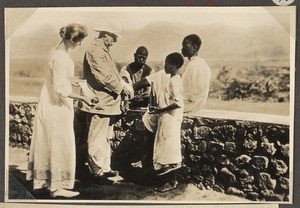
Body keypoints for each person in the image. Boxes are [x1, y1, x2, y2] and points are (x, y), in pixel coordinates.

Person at [26, 23, 93, 198]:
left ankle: (43, 182)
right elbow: (61, 89)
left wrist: (75, 81)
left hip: (49, 104)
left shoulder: (56, 53)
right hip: (57, 107)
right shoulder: (62, 57)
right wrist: (85, 98)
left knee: (48, 141)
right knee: (60, 143)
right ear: (73, 39)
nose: (79, 45)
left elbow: (60, 79)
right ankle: (57, 187)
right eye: (79, 42)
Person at [77, 22, 130, 180]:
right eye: (113, 37)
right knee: (97, 138)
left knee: (105, 136)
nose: (114, 40)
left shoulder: (102, 50)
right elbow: (104, 77)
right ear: (105, 34)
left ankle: (104, 168)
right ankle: (97, 172)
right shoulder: (95, 50)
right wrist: (122, 88)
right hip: (99, 103)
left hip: (107, 103)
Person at [149, 52, 184, 192]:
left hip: (170, 118)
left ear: (173, 65)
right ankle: (170, 181)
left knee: (168, 149)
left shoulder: (174, 81)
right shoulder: (174, 79)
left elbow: (178, 103)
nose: (165, 66)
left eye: (166, 63)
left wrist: (160, 110)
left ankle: (170, 182)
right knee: (168, 148)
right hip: (168, 117)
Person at [180, 34, 211, 113]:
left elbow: (194, 93)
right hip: (192, 104)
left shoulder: (196, 65)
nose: (182, 49)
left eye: (185, 46)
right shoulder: (195, 63)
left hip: (191, 106)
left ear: (194, 48)